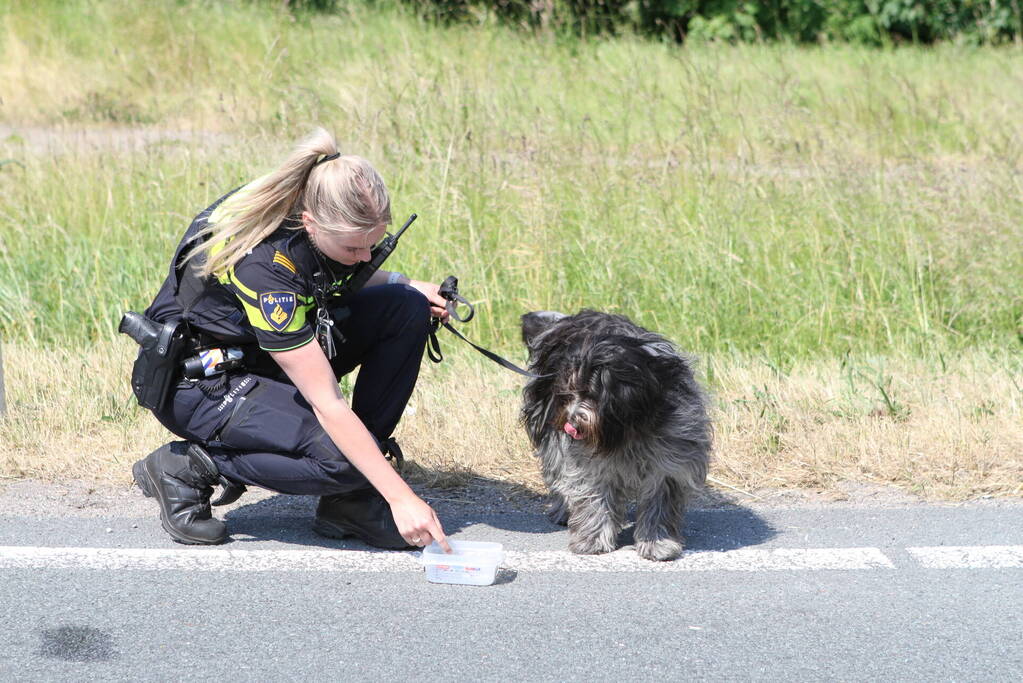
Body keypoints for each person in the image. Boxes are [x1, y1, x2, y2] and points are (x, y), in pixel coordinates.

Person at [131, 127, 451, 552]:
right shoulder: (264, 268)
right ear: (310, 223)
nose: (366, 259)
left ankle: (348, 502)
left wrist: (408, 283)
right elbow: (328, 402)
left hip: (258, 350)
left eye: (373, 245)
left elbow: (325, 269)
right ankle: (187, 467)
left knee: (404, 305)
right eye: (355, 248)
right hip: (204, 383)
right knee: (348, 458)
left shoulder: (308, 197)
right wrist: (401, 498)